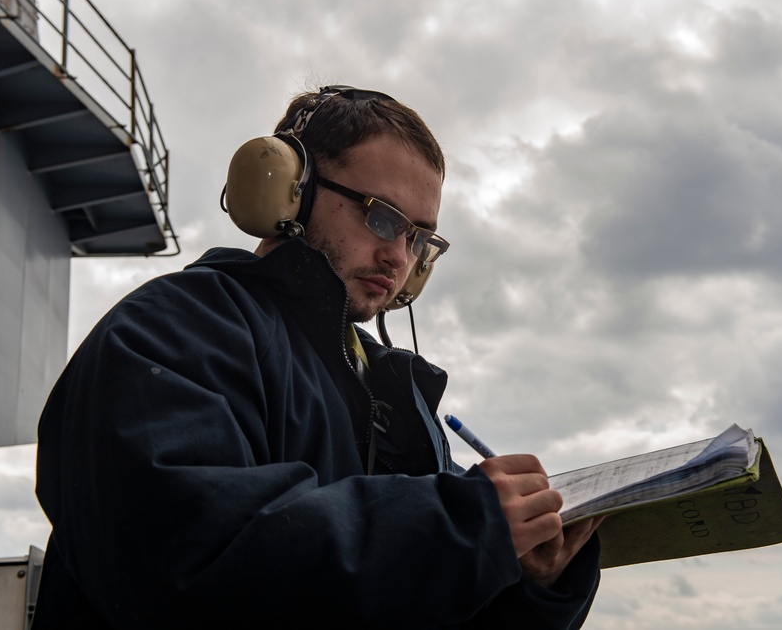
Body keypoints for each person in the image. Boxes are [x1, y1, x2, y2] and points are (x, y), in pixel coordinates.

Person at [33, 86, 603, 628]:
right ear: (287, 189)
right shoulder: (173, 327)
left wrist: (531, 582)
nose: (398, 256)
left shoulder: (389, 389)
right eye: (382, 217)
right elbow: (189, 559)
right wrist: (463, 527)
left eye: (420, 239)